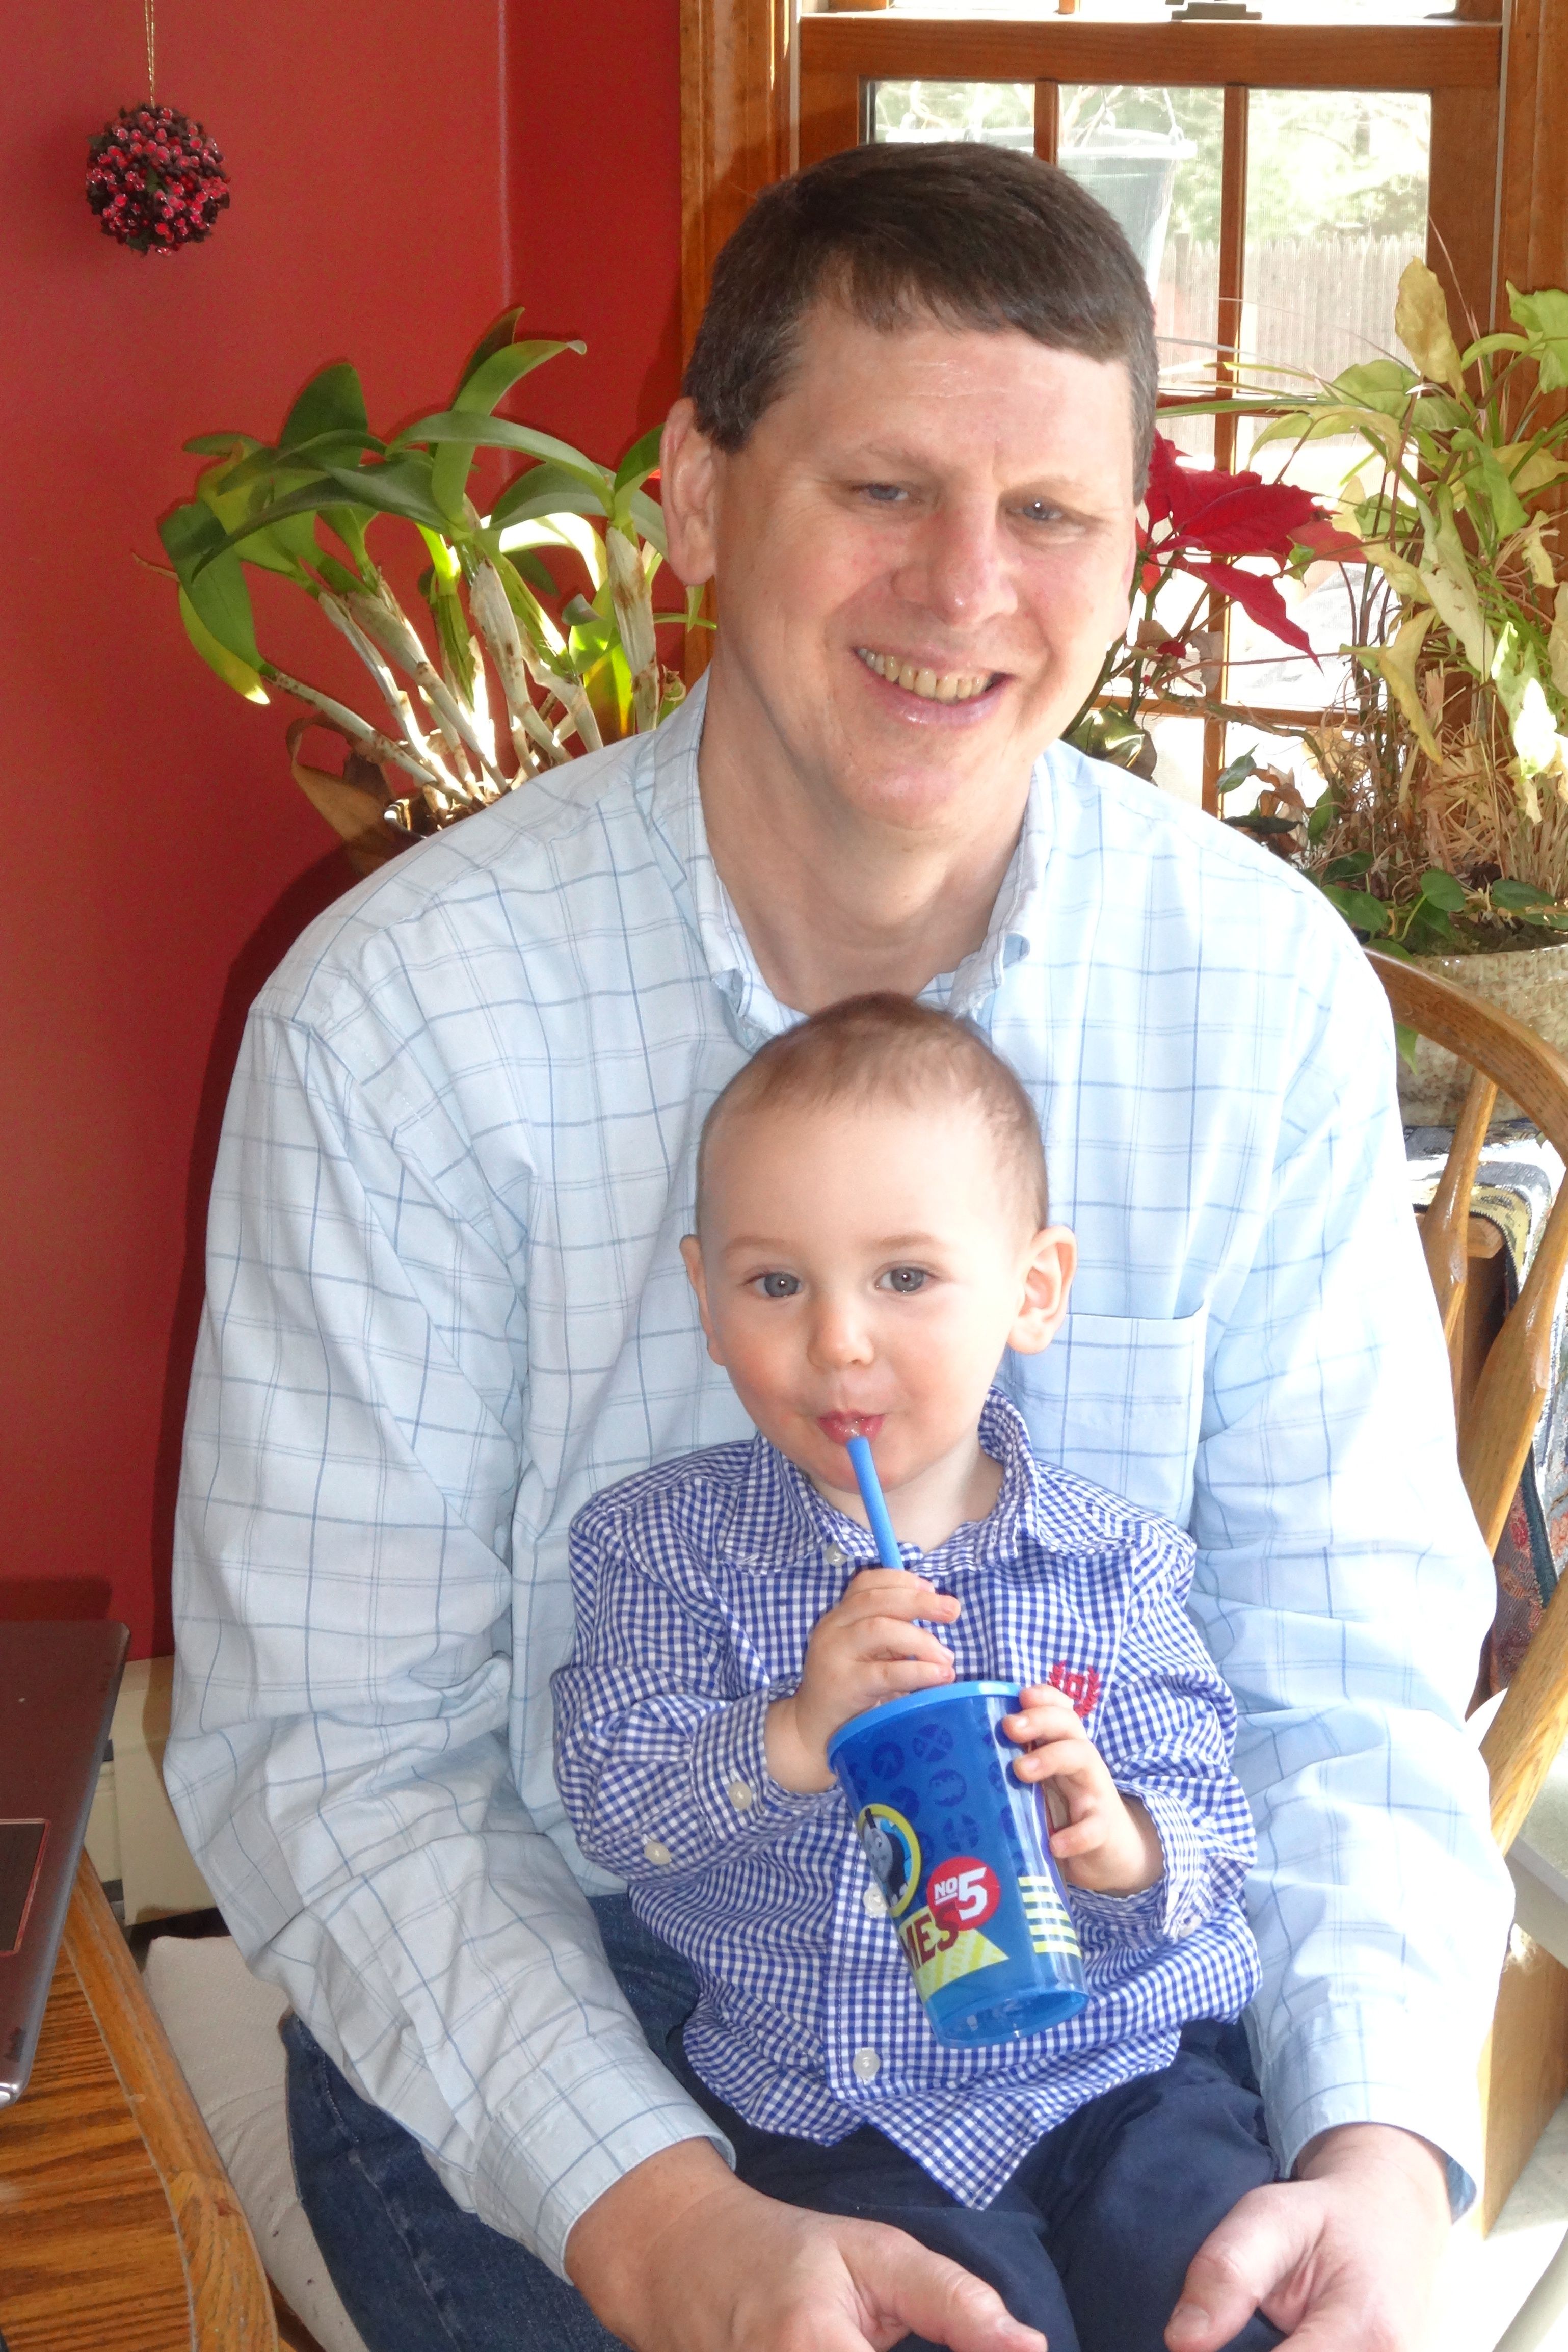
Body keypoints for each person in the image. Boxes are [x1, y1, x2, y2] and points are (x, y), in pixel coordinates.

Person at [166, 139, 1510, 2352]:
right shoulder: (403, 1024)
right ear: (699, 498)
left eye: (1051, 513)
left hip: (1105, 2007)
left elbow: (1339, 1661)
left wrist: (1373, 2145)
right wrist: (665, 2224)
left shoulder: (1257, 988)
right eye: (883, 487)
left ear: (1131, 550)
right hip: (593, 1975)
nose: (967, 588)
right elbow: (344, 1751)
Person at [552, 993, 1282, 2352]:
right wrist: (792, 1733)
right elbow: (611, 1806)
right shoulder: (661, 1549)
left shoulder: (1117, 1563)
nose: (838, 1341)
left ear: (1033, 1291)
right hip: (837, 2107)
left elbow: (1218, 1829)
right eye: (777, 1284)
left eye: (905, 1278)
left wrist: (1118, 1842)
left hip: (1124, 2079)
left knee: (1219, 2307)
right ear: (705, 1299)